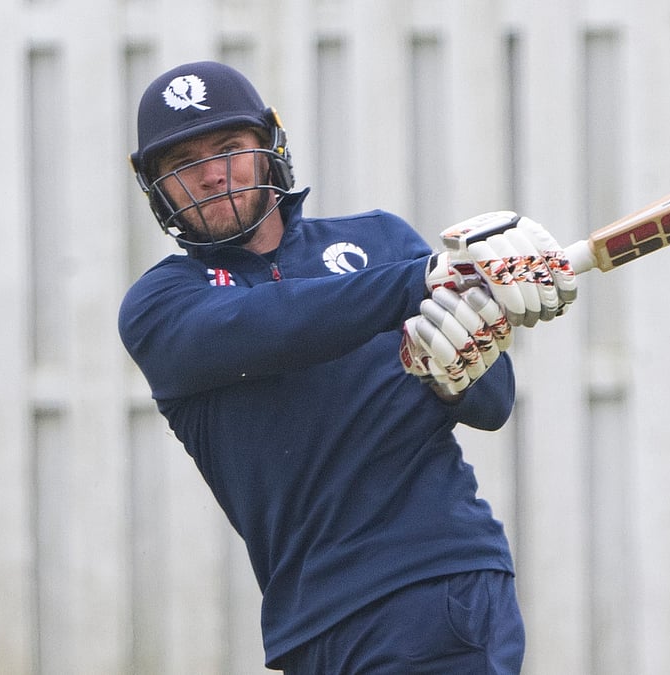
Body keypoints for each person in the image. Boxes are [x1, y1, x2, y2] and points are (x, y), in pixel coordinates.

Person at [118, 60, 576, 673]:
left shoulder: (382, 241)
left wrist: (456, 368)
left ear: (269, 148)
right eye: (182, 165)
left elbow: (492, 404)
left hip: (431, 582)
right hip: (310, 624)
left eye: (229, 148)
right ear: (158, 188)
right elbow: (270, 325)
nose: (211, 176)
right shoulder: (161, 305)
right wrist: (421, 281)